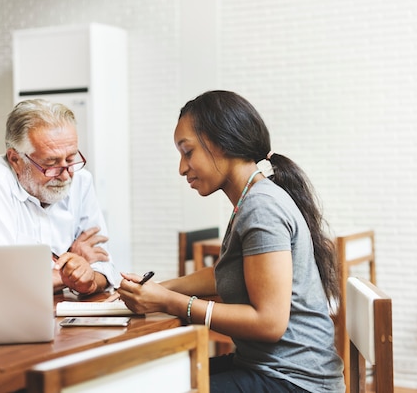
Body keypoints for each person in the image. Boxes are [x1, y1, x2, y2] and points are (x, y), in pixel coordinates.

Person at [118, 90, 345, 392]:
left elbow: (269, 323)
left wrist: (170, 302)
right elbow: (227, 274)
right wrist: (160, 289)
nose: (182, 168)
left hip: (295, 382)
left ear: (221, 142)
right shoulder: (253, 199)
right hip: (270, 369)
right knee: (156, 377)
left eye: (188, 152)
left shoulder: (261, 206)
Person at [0, 99, 120, 295]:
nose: (65, 175)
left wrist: (88, 279)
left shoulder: (80, 179)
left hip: (58, 311)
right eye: (51, 163)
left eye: (71, 159)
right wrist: (68, 272)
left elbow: (105, 268)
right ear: (15, 159)